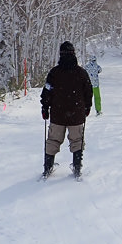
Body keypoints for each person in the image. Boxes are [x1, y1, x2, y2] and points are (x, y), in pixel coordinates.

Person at [40, 41, 93, 179]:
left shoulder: (54, 73)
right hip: (76, 114)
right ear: (74, 54)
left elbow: (47, 91)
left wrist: (45, 107)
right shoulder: (81, 73)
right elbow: (88, 91)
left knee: (53, 140)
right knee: (77, 141)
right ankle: (77, 167)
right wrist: (87, 107)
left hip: (58, 114)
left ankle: (47, 167)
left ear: (60, 55)